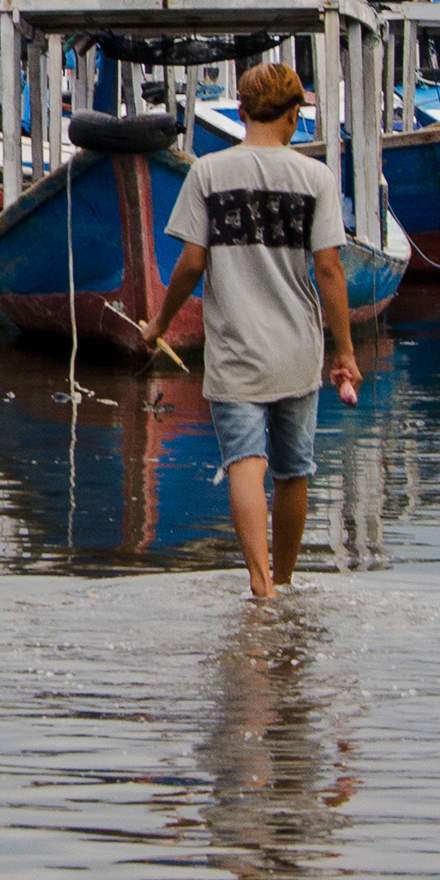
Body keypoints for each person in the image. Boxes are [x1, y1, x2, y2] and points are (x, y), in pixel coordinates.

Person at [140, 63, 359, 598]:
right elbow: (329, 269)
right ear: (294, 116)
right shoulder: (315, 178)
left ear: (241, 112)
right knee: (293, 470)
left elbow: (191, 263)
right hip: (297, 349)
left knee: (244, 462)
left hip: (236, 349)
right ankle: (284, 580)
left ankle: (260, 587)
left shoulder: (208, 173)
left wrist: (160, 322)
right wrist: (345, 352)